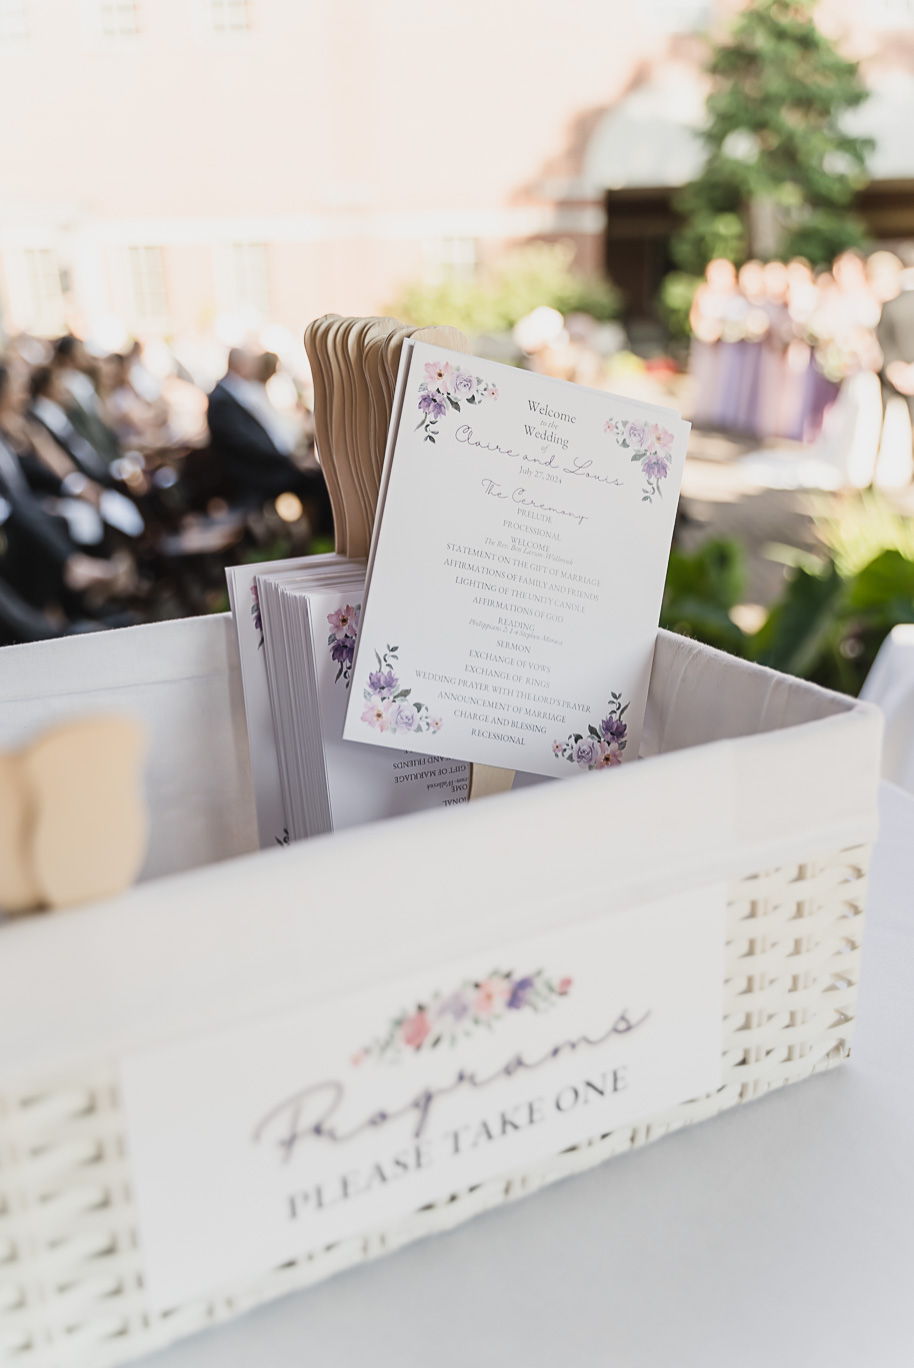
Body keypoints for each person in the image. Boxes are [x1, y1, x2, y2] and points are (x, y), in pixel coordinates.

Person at [207, 348, 331, 529]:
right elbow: (246, 443)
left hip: (264, 465)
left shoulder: (233, 392)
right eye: (250, 362)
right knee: (318, 479)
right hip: (255, 474)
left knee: (320, 473)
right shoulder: (222, 399)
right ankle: (326, 537)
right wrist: (289, 460)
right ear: (239, 365)